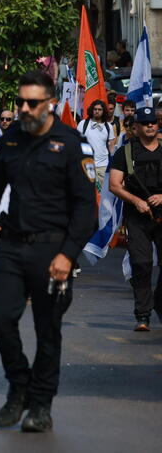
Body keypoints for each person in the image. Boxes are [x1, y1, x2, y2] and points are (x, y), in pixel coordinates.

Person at [0, 69, 97, 433]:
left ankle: (41, 405)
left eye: (32, 103)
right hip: (12, 245)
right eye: (20, 102)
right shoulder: (11, 137)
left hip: (52, 249)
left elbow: (86, 208)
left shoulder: (70, 143)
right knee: (1, 317)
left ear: (50, 104)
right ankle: (19, 388)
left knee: (48, 330)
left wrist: (68, 254)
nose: (24, 109)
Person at [107, 106, 162, 331]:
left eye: (154, 122)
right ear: (136, 127)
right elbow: (114, 185)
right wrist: (136, 201)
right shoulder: (126, 152)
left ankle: (158, 301)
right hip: (137, 216)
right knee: (141, 263)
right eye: (145, 123)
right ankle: (143, 314)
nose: (150, 125)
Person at [78, 100, 116, 189]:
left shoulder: (108, 126)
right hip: (86, 164)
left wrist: (111, 161)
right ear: (92, 110)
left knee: (102, 193)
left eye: (100, 109)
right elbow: (77, 142)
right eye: (95, 109)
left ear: (103, 111)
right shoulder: (83, 124)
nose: (97, 111)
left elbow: (112, 144)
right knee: (86, 190)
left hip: (103, 165)